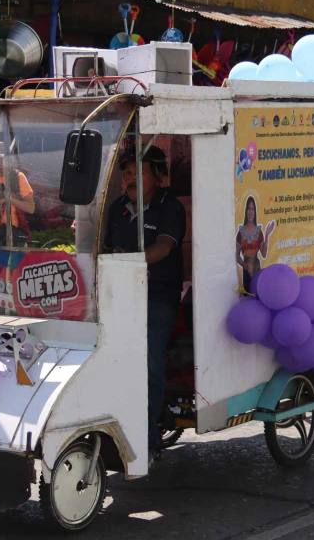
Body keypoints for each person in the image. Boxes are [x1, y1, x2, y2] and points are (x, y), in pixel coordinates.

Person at [104, 146, 186, 458]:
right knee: (112, 361)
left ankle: (148, 438)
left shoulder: (171, 208)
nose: (129, 178)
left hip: (158, 295)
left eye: (137, 171)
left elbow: (163, 248)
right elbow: (105, 249)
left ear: (157, 175)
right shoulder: (116, 209)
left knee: (149, 363)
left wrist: (125, 264)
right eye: (125, 173)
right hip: (120, 296)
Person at [235, 196, 276, 293]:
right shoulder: (241, 232)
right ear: (246, 211)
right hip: (246, 271)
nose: (250, 211)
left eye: (252, 209)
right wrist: (244, 265)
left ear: (255, 212)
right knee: (248, 296)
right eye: (248, 209)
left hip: (257, 269)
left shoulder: (259, 231)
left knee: (258, 293)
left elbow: (264, 254)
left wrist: (266, 235)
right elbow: (236, 255)